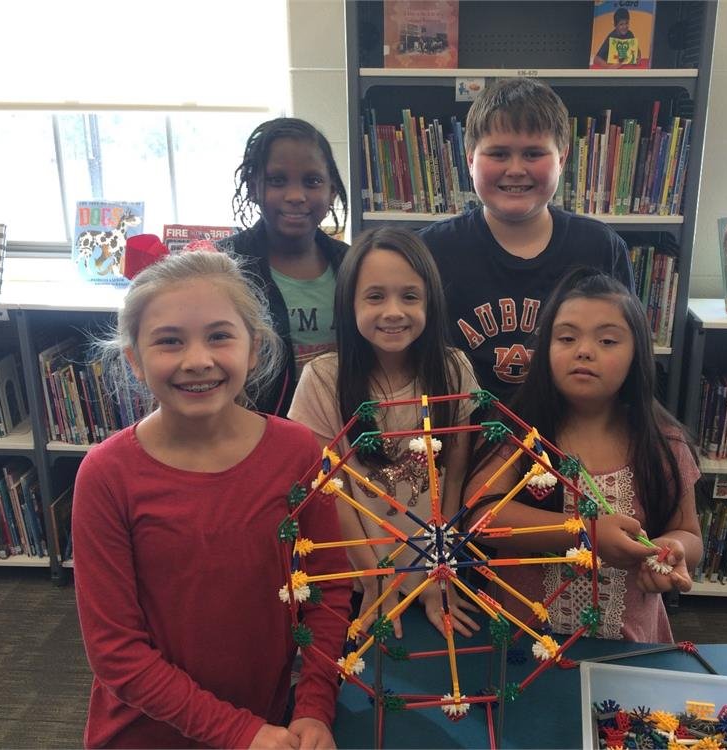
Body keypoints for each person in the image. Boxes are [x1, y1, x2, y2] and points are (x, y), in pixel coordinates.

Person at [73, 251, 351, 749]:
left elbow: (327, 591)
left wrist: (313, 704)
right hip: (144, 735)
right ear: (134, 358)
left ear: (254, 348)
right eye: (169, 342)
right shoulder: (107, 475)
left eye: (219, 336)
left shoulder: (298, 452)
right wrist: (238, 732)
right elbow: (116, 651)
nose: (197, 360)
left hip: (270, 724)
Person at [463, 269, 702, 643]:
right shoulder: (515, 433)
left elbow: (688, 533)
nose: (584, 350)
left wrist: (672, 550)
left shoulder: (664, 443)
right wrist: (584, 533)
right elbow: (481, 519)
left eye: (607, 340)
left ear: (637, 353)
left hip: (630, 641)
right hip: (522, 641)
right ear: (545, 350)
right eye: (567, 337)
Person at [288, 227, 481, 640]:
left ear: (430, 301)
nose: (393, 311)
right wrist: (376, 578)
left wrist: (437, 570)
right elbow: (329, 489)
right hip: (361, 576)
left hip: (437, 570)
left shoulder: (453, 368)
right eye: (375, 296)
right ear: (349, 303)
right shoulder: (323, 378)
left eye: (410, 296)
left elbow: (456, 476)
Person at [419, 77, 633, 404]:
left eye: (533, 153)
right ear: (470, 158)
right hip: (460, 437)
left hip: (568, 431)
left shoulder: (602, 247)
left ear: (562, 158)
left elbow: (625, 354)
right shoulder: (430, 251)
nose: (516, 169)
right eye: (499, 153)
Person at [220, 117, 350, 417]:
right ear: (253, 188)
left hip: (341, 429)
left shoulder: (351, 264)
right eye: (277, 180)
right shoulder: (224, 268)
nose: (295, 196)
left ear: (331, 191)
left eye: (312, 181)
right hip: (257, 431)